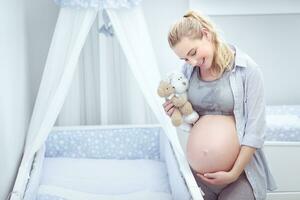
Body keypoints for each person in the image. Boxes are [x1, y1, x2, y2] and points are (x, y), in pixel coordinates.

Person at [163, 10, 277, 200]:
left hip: (239, 176)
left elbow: (255, 130)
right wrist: (176, 112)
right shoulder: (188, 71)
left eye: (193, 53)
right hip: (198, 177)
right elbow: (192, 120)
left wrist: (232, 173)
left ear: (206, 34)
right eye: (185, 59)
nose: (191, 62)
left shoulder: (247, 70)